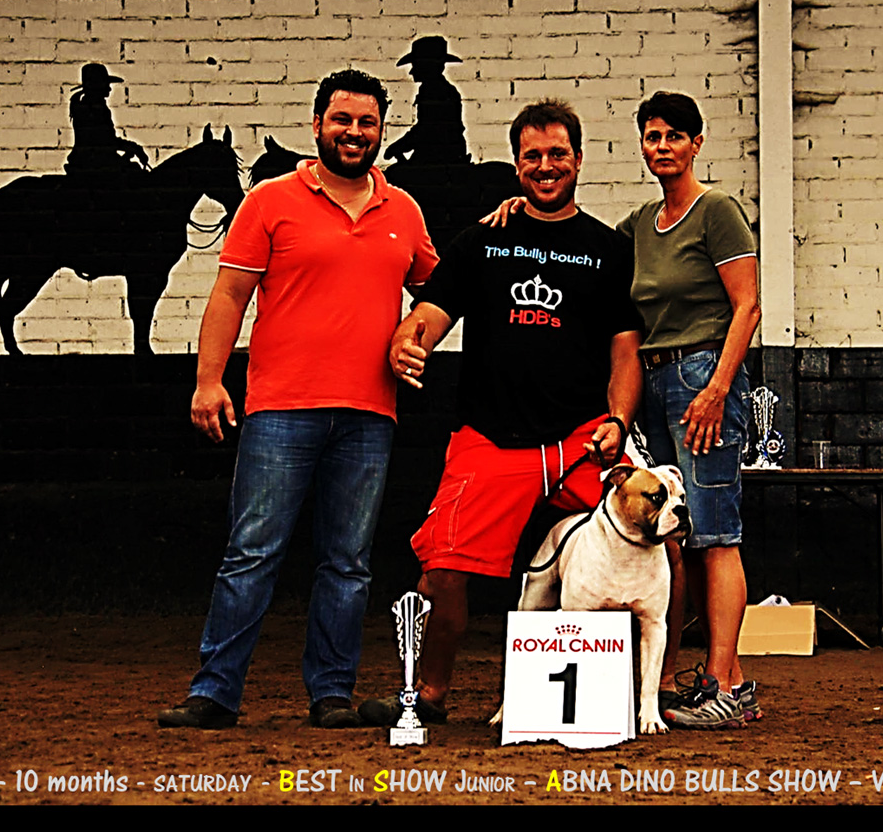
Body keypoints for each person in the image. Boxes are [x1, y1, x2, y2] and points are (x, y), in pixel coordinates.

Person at [157, 68, 438, 731]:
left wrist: (412, 333)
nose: (354, 132)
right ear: (317, 126)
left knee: (348, 562)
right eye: (342, 120)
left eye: (367, 123)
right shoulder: (270, 199)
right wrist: (208, 380)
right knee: (252, 553)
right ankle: (215, 693)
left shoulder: (403, 210)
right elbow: (230, 294)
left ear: (381, 131)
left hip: (370, 412)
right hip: (280, 407)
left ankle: (332, 693)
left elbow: (439, 292)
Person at [357, 99, 643, 726]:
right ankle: (428, 695)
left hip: (580, 439)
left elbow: (625, 352)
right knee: (441, 571)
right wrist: (407, 342)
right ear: (517, 165)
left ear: (579, 160)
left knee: (659, 542)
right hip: (490, 439)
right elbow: (428, 315)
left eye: (557, 154)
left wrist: (617, 422)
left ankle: (659, 692)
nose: (546, 166)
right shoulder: (481, 241)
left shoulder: (608, 249)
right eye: (533, 156)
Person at [620, 92, 762, 730]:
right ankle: (725, 680)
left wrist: (717, 390)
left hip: (702, 375)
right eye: (653, 136)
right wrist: (519, 211)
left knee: (716, 532)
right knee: (682, 532)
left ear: (696, 143)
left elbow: (748, 306)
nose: (663, 147)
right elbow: (588, 251)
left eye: (675, 136)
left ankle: (723, 687)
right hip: (653, 380)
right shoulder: (639, 224)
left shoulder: (717, 212)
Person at [384, 36, 471, 166]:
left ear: (427, 66)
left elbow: (426, 130)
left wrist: (399, 146)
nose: (411, 71)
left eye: (415, 65)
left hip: (439, 158)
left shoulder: (435, 92)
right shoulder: (440, 90)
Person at [64, 63, 149, 180]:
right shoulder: (93, 110)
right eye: (106, 84)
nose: (109, 88)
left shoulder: (87, 108)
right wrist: (134, 148)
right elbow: (105, 142)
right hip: (92, 164)